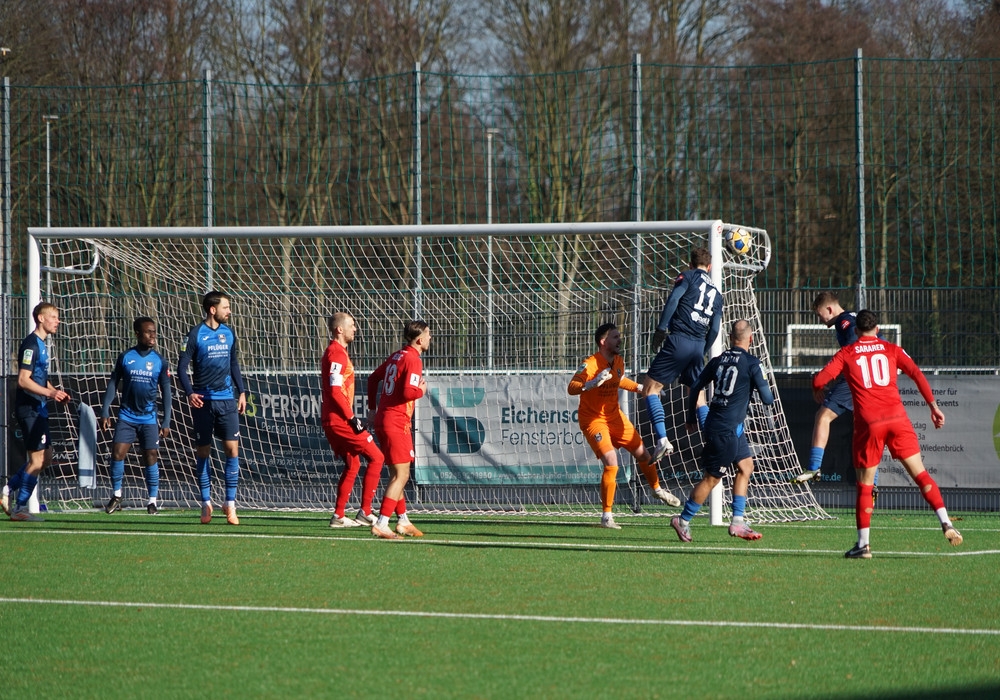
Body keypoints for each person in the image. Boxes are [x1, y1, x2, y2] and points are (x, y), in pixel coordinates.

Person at [812, 309, 962, 559]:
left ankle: (863, 545)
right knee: (920, 474)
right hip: (897, 419)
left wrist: (816, 387)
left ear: (856, 331)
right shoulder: (891, 349)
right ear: (878, 328)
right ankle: (946, 521)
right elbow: (916, 373)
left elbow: (820, 380)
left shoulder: (847, 352)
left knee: (865, 484)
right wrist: (933, 407)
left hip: (869, 423)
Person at [568, 323, 681, 529]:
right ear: (603, 342)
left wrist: (642, 388)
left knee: (644, 455)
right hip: (594, 420)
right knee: (612, 462)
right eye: (615, 337)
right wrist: (591, 383)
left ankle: (656, 490)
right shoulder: (590, 364)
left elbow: (620, 380)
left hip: (615, 417)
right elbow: (572, 387)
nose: (620, 340)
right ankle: (607, 516)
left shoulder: (618, 361)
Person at [670, 320, 774, 542]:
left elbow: (695, 386)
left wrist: (690, 417)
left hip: (726, 425)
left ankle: (738, 521)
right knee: (712, 478)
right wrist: (758, 382)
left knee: (746, 466)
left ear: (730, 338)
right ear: (751, 338)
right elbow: (767, 399)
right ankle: (683, 520)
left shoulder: (717, 360)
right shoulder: (753, 363)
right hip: (725, 430)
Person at [793, 292, 879, 495]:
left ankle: (814, 467)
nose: (820, 319)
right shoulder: (855, 318)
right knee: (866, 428)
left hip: (856, 379)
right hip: (874, 379)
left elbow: (853, 352)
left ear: (829, 309)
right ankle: (872, 481)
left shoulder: (844, 322)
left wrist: (824, 379)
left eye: (819, 314)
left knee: (823, 416)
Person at [642, 247, 723, 462]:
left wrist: (661, 329)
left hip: (679, 340)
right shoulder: (717, 294)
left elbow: (674, 300)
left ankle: (662, 440)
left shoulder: (687, 276)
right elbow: (715, 329)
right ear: (710, 267)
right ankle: (712, 444)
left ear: (690, 264)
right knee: (699, 399)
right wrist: (702, 350)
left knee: (650, 389)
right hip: (698, 346)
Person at [177, 291, 247, 526]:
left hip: (227, 400)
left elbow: (234, 363)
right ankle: (206, 502)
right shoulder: (195, 334)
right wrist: (190, 392)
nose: (229, 311)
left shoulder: (229, 333)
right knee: (203, 452)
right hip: (204, 402)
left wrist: (242, 392)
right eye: (226, 307)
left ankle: (230, 503)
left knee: (232, 451)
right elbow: (181, 367)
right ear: (212, 309)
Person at [3, 302, 72, 521]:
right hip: (29, 409)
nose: (57, 321)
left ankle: (7, 490)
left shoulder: (42, 345)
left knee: (47, 458)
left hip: (39, 408)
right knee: (37, 460)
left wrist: (55, 391)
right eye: (53, 317)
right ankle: (20, 508)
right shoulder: (31, 345)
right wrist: (50, 393)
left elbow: (40, 377)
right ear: (41, 318)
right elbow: (24, 380)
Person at [99, 317, 172, 515]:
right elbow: (113, 383)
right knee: (117, 453)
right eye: (148, 332)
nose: (153, 335)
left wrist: (166, 420)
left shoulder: (159, 360)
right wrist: (105, 410)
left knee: (151, 456)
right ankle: (116, 495)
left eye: (154, 331)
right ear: (137, 334)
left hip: (148, 417)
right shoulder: (126, 357)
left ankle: (152, 501)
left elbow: (166, 391)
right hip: (127, 416)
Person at [366, 320, 432, 539]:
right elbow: (408, 392)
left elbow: (373, 378)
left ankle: (403, 520)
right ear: (420, 339)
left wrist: (372, 409)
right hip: (396, 422)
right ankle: (382, 523)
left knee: (397, 474)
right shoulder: (413, 359)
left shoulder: (397, 355)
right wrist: (421, 391)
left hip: (385, 419)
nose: (430, 338)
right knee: (402, 475)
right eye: (428, 334)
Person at [321, 312, 386, 528]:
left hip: (334, 419)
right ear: (339, 329)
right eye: (351, 325)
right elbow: (335, 390)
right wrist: (351, 418)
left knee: (353, 463)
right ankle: (365, 511)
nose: (355, 329)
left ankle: (339, 516)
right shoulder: (336, 353)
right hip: (339, 421)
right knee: (377, 457)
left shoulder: (336, 352)